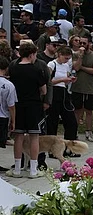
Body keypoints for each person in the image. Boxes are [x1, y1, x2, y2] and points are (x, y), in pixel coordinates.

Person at [7, 43, 47, 178]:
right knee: (34, 137)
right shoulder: (37, 69)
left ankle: (17, 169)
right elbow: (44, 90)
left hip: (18, 105)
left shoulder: (13, 68)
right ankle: (33, 170)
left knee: (18, 137)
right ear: (32, 54)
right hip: (33, 105)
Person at [46, 45, 78, 145]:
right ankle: (51, 144)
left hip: (63, 92)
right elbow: (48, 81)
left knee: (71, 121)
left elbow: (66, 81)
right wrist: (62, 79)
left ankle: (69, 144)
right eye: (66, 58)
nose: (66, 60)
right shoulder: (52, 64)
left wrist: (69, 80)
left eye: (68, 59)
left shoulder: (66, 66)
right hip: (54, 92)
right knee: (52, 120)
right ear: (59, 55)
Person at [71, 35, 93, 143]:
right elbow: (76, 67)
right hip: (77, 87)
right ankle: (74, 131)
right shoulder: (75, 55)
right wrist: (80, 56)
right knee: (77, 110)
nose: (82, 45)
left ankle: (89, 132)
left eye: (84, 43)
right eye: (80, 43)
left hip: (89, 88)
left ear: (89, 44)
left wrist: (82, 68)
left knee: (89, 111)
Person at [0, 56, 17, 173]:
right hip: (2, 116)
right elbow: (11, 105)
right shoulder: (9, 85)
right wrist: (13, 121)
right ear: (6, 69)